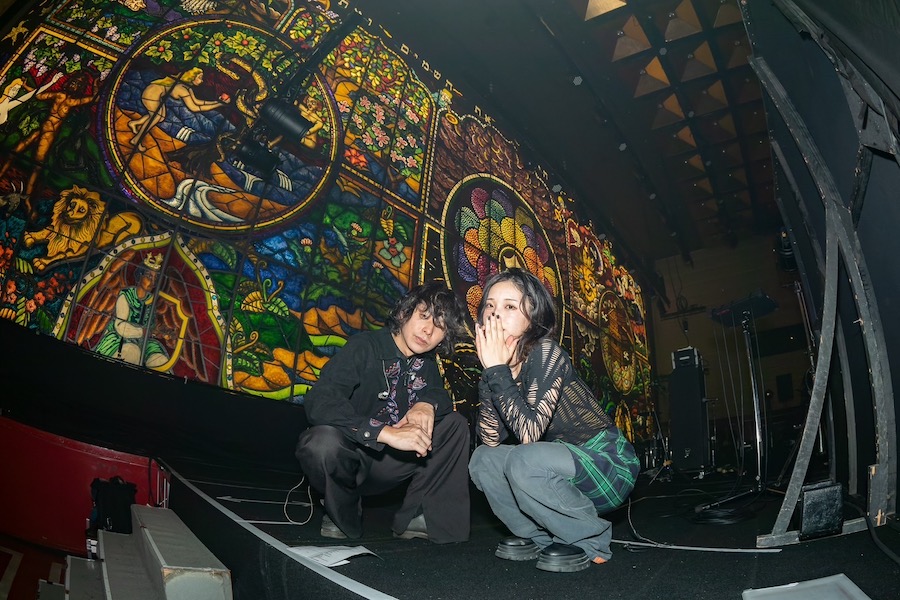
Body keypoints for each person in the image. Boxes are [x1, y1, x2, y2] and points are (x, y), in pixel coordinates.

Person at [468, 268, 640, 572]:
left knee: (524, 458)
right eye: (489, 306)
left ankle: (589, 539)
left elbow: (529, 434)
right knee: (483, 460)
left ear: (533, 317)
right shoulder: (499, 369)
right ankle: (537, 538)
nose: (495, 315)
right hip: (556, 466)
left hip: (609, 463)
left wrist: (496, 372)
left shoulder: (545, 352)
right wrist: (490, 374)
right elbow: (491, 440)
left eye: (509, 306)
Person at [295, 281, 471, 544]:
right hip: (350, 460)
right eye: (424, 316)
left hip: (390, 466)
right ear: (404, 312)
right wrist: (382, 432)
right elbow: (320, 400)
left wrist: (427, 404)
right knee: (320, 442)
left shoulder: (426, 364)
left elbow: (440, 396)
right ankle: (340, 511)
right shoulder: (365, 346)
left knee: (455, 425)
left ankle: (420, 516)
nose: (428, 330)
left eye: (440, 327)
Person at [94, 252, 170, 368]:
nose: (152, 282)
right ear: (140, 275)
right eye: (149, 276)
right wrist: (143, 332)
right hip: (120, 339)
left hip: (143, 342)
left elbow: (151, 327)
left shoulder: (151, 301)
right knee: (132, 351)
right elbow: (120, 326)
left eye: (155, 278)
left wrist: (160, 332)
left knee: (160, 359)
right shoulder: (126, 295)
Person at [128, 67, 228, 151]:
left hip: (154, 93)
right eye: (200, 78)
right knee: (156, 117)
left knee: (160, 117)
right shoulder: (181, 89)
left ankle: (134, 123)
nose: (201, 81)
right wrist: (218, 105)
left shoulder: (186, 87)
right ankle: (136, 139)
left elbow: (198, 102)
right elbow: (195, 108)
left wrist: (217, 102)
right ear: (192, 77)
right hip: (151, 94)